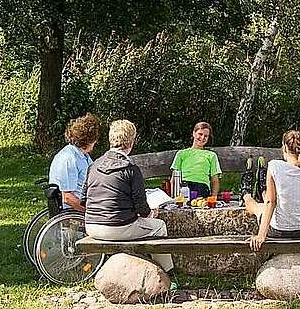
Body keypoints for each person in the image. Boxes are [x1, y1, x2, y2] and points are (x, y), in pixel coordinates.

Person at [82, 119, 173, 271]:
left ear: (111, 139)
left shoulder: (94, 165)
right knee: (159, 226)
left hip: (91, 225)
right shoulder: (130, 169)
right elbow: (141, 207)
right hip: (117, 226)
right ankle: (166, 272)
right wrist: (151, 213)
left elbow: (84, 200)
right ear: (131, 142)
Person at [46, 114, 101, 211]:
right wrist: (91, 213)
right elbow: (67, 197)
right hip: (73, 211)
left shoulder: (82, 155)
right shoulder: (69, 158)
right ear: (89, 140)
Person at [169, 122, 222, 198]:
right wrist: (174, 197)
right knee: (185, 192)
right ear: (194, 133)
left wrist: (214, 197)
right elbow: (174, 178)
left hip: (201, 186)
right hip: (184, 186)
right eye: (200, 134)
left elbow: (215, 180)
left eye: (206, 136)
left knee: (199, 196)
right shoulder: (182, 153)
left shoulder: (211, 155)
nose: (203, 137)